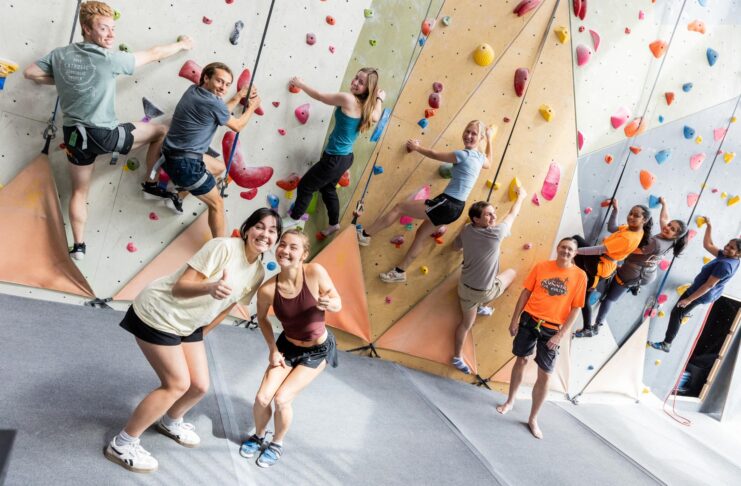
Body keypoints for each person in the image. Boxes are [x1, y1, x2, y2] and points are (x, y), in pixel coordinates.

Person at [104, 208, 281, 474]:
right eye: (259, 226)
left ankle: (170, 421)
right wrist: (209, 287)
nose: (264, 234)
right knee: (176, 384)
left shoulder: (256, 271)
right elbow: (179, 287)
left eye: (272, 230)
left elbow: (226, 307)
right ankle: (123, 443)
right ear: (247, 230)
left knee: (198, 385)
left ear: (275, 239)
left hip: (189, 324)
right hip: (159, 312)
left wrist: (199, 335)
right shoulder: (222, 248)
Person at [23, 1, 193, 260]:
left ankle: (79, 245)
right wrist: (182, 44)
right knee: (159, 131)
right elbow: (155, 53)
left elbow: (30, 73)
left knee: (80, 191)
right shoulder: (109, 59)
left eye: (113, 28)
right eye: (104, 28)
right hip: (105, 136)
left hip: (73, 139)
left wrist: (62, 80)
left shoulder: (59, 55)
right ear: (86, 29)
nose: (112, 34)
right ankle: (149, 182)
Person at [240, 230, 341, 468]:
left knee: (282, 399)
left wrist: (330, 303)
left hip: (317, 350)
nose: (285, 250)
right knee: (263, 397)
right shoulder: (268, 289)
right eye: (282, 244)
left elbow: (337, 300)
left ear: (304, 254)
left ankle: (277, 443)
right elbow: (262, 319)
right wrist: (273, 349)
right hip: (287, 347)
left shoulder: (315, 272)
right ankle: (259, 435)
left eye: (293, 247)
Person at [357, 120, 493, 283]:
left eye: (474, 134)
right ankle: (400, 271)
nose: (468, 135)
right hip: (456, 208)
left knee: (399, 208)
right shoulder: (480, 158)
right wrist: (490, 140)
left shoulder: (462, 155)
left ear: (480, 138)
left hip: (447, 203)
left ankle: (365, 235)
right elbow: (489, 162)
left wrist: (416, 147)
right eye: (467, 131)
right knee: (421, 235)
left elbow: (435, 154)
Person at [151, 62, 262, 237]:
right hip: (186, 164)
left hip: (174, 155)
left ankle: (176, 197)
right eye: (219, 81)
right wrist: (253, 108)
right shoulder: (212, 103)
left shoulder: (193, 91)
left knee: (218, 167)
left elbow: (220, 113)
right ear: (206, 78)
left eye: (227, 84)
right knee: (217, 204)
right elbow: (238, 125)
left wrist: (239, 95)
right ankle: (219, 246)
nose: (223, 87)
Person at [496, 237, 587, 439]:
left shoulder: (580, 276)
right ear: (557, 248)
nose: (566, 251)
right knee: (521, 360)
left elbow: (576, 308)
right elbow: (525, 293)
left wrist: (560, 335)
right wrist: (515, 320)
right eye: (563, 247)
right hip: (529, 320)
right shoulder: (541, 266)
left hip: (552, 329)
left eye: (570, 249)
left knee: (545, 374)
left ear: (575, 253)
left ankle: (533, 418)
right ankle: (510, 401)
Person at [285, 69, 385, 237]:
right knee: (328, 189)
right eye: (356, 78)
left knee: (306, 186)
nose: (355, 82)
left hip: (334, 159)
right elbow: (376, 116)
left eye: (361, 82)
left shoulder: (347, 99)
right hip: (345, 158)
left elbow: (320, 96)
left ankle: (294, 218)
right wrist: (380, 99)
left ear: (368, 89)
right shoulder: (368, 108)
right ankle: (334, 224)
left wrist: (300, 83)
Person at [450, 189, 526, 374]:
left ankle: (457, 357)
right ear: (476, 219)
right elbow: (513, 213)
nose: (493, 217)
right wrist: (521, 196)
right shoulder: (497, 233)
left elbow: (455, 246)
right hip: (484, 291)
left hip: (464, 289)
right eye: (488, 215)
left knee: (466, 324)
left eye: (493, 213)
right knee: (512, 273)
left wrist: (467, 246)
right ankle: (484, 304)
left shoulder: (467, 230)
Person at [594, 197, 689, 327]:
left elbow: (630, 249)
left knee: (610, 298)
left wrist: (608, 243)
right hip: (647, 272)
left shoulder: (655, 243)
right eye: (669, 225)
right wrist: (664, 203)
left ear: (676, 236)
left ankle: (597, 325)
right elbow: (664, 219)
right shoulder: (671, 240)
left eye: (672, 229)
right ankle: (631, 286)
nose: (667, 228)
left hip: (633, 273)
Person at [649, 220, 740, 352]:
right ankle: (668, 340)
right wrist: (709, 226)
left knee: (677, 312)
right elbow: (708, 245)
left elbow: (708, 285)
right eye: (728, 245)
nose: (727, 248)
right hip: (703, 290)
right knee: (679, 312)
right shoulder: (730, 258)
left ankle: (666, 344)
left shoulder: (726, 265)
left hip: (702, 292)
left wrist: (689, 299)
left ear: (738, 254)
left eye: (732, 248)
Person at [573, 200, 652, 337]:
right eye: (630, 213)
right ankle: (587, 327)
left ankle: (587, 280)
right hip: (603, 263)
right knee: (585, 296)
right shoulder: (632, 229)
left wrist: (575, 251)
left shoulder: (628, 238)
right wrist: (615, 210)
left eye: (636, 216)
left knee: (575, 240)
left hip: (601, 265)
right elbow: (611, 228)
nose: (631, 217)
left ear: (644, 220)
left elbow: (599, 249)